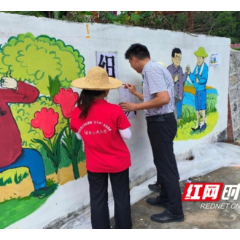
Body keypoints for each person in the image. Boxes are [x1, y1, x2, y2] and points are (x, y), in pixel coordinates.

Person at [120, 43, 184, 223]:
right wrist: (135, 93)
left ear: (134, 59)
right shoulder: (156, 68)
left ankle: (175, 211)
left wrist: (136, 107)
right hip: (162, 121)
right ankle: (165, 198)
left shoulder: (150, 70)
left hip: (161, 122)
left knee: (167, 166)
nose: (133, 67)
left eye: (131, 63)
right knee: (162, 162)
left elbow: (163, 99)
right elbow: (155, 99)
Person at [70, 66, 133, 229]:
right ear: (106, 90)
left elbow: (79, 135)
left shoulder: (77, 112)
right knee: (121, 198)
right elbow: (127, 135)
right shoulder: (114, 110)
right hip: (118, 162)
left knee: (97, 199)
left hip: (95, 164)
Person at [0, 73, 54, 199]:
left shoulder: (1, 95)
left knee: (34, 157)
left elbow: (32, 95)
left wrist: (16, 86)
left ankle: (41, 188)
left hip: (15, 155)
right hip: (12, 155)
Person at [187, 47, 209, 132]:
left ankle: (204, 123)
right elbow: (193, 79)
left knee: (202, 107)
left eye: (200, 58)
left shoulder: (205, 67)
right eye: (197, 58)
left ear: (203, 58)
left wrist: (199, 80)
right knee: (197, 108)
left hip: (202, 90)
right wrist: (189, 73)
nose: (198, 59)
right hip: (197, 90)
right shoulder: (197, 67)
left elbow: (205, 79)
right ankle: (197, 124)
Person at [167, 48, 188, 121]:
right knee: (173, 115)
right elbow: (165, 85)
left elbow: (182, 81)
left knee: (179, 115)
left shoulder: (180, 69)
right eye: (177, 58)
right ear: (172, 58)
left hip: (180, 96)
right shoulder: (168, 70)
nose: (178, 60)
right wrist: (173, 80)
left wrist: (186, 73)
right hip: (172, 98)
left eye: (180, 58)